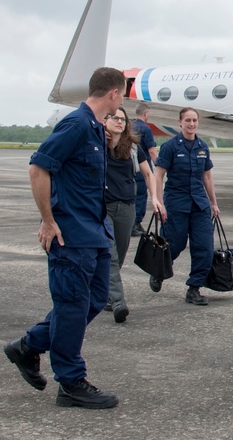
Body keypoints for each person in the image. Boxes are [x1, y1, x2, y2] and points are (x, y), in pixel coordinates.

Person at [3, 67, 126, 409]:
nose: (123, 101)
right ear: (113, 94)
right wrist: (47, 220)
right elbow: (38, 167)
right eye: (123, 94)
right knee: (72, 307)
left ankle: (28, 345)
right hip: (71, 235)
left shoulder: (94, 128)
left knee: (94, 299)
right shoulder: (75, 124)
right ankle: (70, 383)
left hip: (95, 232)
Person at [152, 107, 220, 305]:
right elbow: (158, 174)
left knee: (204, 247)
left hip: (199, 204)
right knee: (175, 243)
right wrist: (158, 203)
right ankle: (159, 272)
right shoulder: (170, 146)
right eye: (188, 120)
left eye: (194, 120)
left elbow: (207, 176)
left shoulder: (202, 147)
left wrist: (214, 203)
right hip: (177, 203)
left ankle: (194, 288)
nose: (191, 124)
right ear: (180, 122)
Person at [103, 106, 163, 323]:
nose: (120, 122)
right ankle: (118, 301)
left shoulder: (133, 147)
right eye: (115, 118)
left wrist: (154, 198)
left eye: (123, 119)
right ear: (105, 121)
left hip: (127, 206)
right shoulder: (97, 143)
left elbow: (148, 173)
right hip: (103, 207)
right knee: (109, 254)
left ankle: (106, 293)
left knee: (119, 252)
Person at [131, 104, 159, 237]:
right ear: (146, 114)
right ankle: (135, 223)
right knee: (141, 195)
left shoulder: (129, 125)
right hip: (142, 168)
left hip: (129, 167)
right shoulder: (145, 129)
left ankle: (131, 222)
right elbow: (152, 151)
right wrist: (159, 166)